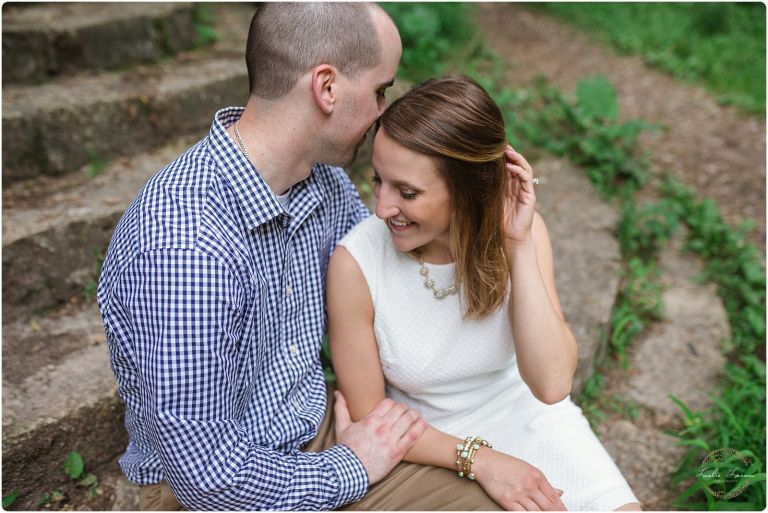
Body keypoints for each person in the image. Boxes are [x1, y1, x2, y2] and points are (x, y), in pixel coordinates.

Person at [97, 4, 429, 510]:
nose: (384, 110)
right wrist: (352, 465)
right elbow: (209, 479)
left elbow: (388, 279)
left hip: (315, 429)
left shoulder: (322, 182)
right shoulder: (187, 249)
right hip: (234, 488)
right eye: (380, 90)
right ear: (327, 88)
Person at [327, 75, 643, 511]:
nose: (381, 207)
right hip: (426, 443)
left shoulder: (518, 236)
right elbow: (369, 416)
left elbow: (551, 385)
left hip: (529, 417)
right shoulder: (356, 263)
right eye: (378, 180)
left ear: (467, 189)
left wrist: (518, 246)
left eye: (408, 192)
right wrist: (481, 459)